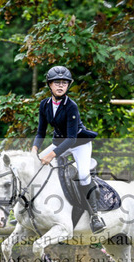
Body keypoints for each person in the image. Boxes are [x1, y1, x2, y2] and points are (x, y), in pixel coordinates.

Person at [31, 65, 106, 233]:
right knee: (35, 166)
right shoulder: (44, 104)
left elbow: (72, 138)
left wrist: (51, 155)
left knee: (83, 175)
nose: (60, 86)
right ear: (50, 85)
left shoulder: (71, 106)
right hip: (60, 143)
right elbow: (41, 132)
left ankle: (95, 216)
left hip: (79, 144)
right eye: (57, 82)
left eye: (64, 83)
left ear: (68, 85)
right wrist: (34, 150)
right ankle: (28, 210)